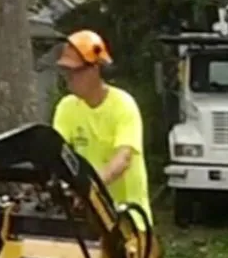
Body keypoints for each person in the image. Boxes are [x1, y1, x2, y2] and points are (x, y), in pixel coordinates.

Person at [51, 30, 153, 229]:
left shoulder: (123, 105)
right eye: (66, 72)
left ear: (95, 69)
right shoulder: (66, 107)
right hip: (90, 218)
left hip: (128, 219)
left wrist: (89, 189)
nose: (69, 78)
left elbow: (123, 159)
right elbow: (55, 153)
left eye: (75, 71)